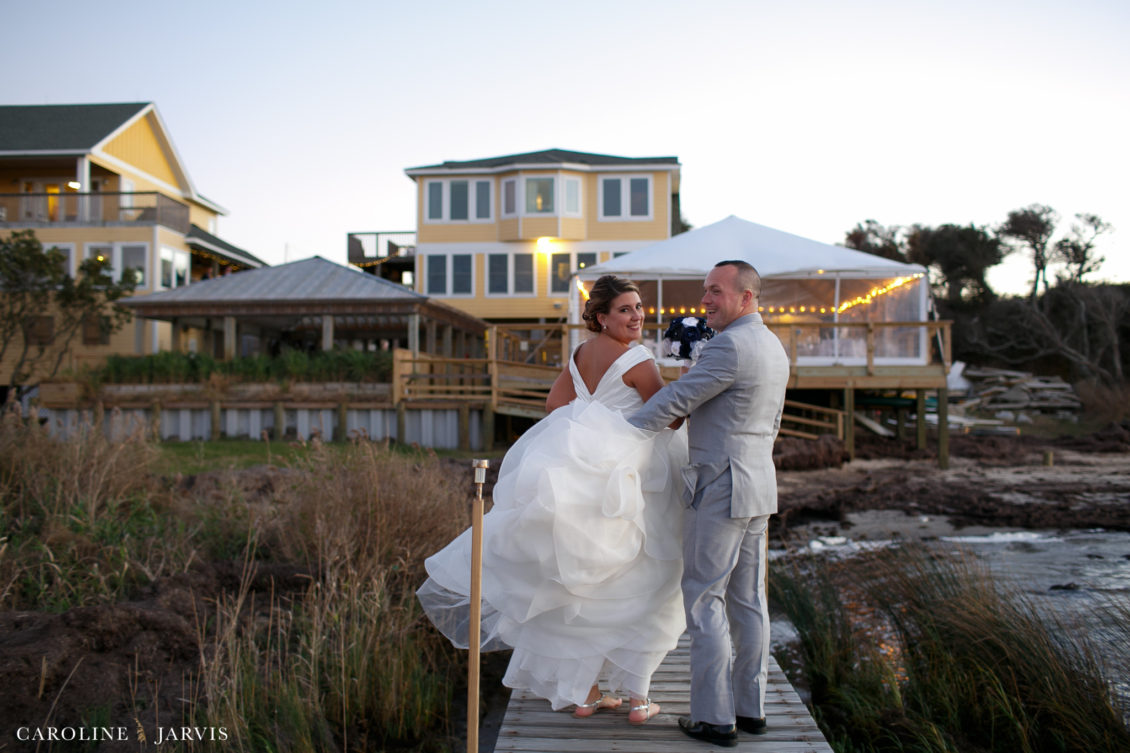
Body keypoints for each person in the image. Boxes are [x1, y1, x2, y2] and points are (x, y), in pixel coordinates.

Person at [417, 275, 687, 725]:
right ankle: (639, 699)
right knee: (645, 577)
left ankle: (587, 694)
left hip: (582, 472)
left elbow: (554, 405)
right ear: (601, 316)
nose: (637, 316)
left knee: (583, 585)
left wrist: (592, 427)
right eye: (625, 309)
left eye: (639, 307)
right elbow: (670, 419)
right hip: (631, 476)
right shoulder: (638, 358)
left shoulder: (580, 355)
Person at [628, 260, 789, 748]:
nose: (705, 302)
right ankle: (750, 708)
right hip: (759, 483)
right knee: (749, 602)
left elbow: (677, 400)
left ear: (746, 297)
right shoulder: (772, 345)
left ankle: (714, 718)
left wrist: (618, 434)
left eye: (715, 292)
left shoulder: (731, 346)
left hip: (720, 487)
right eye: (705, 292)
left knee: (703, 600)